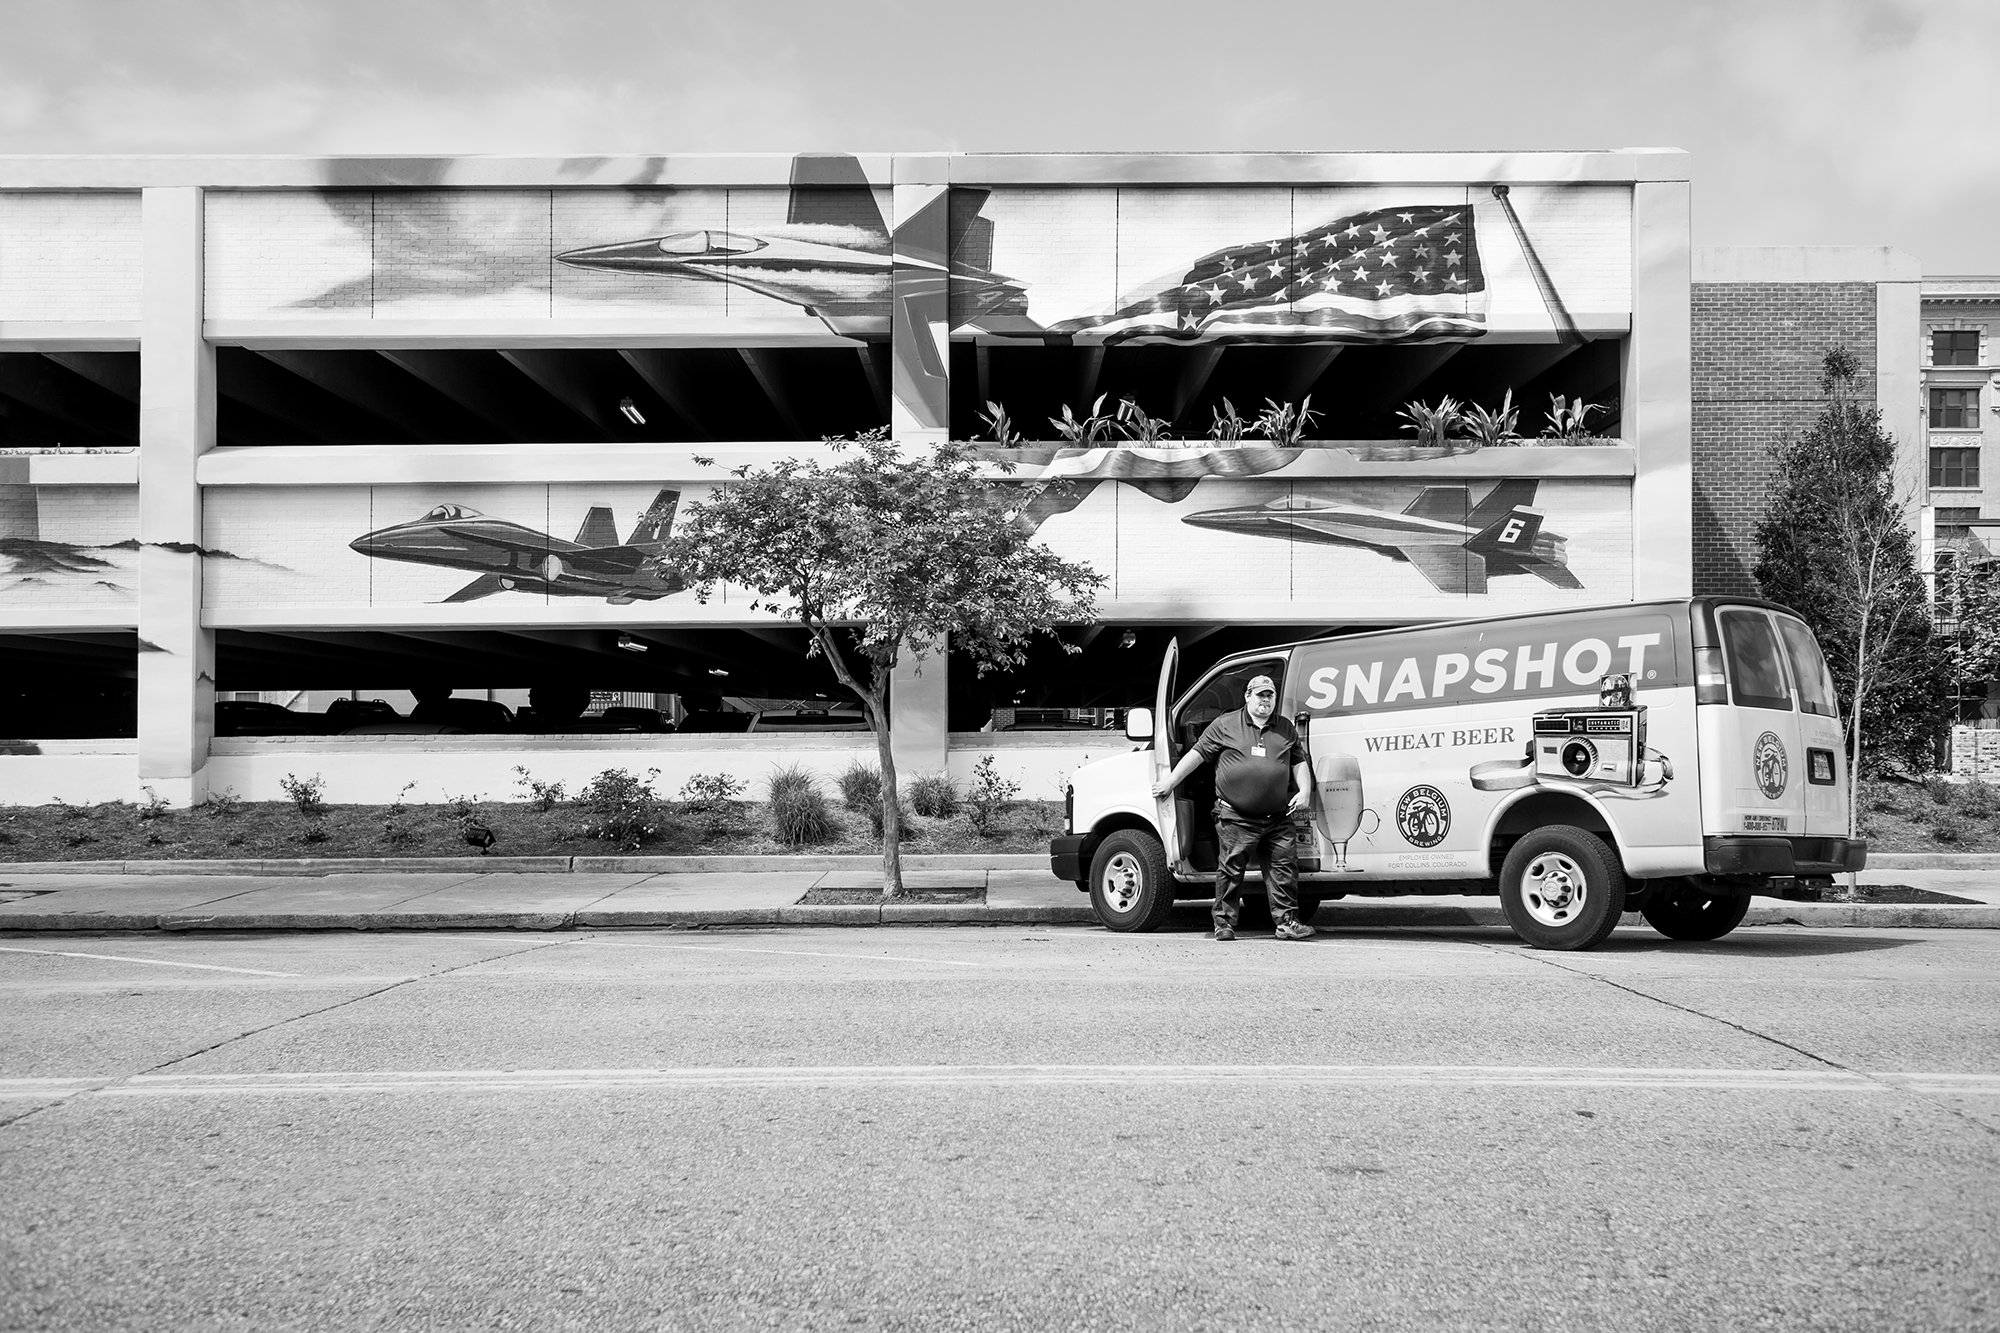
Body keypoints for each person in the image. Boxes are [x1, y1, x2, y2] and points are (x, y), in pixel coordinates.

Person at [1151, 674, 1315, 942]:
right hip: (1236, 815)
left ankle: (1287, 923)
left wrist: (1305, 790)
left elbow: (1298, 762)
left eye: (1269, 695)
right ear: (1247, 696)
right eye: (1260, 694)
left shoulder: (1285, 728)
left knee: (1284, 871)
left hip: (1277, 816)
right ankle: (1224, 923)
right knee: (1230, 871)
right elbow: (1198, 754)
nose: (1265, 700)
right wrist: (1170, 781)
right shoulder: (1226, 724)